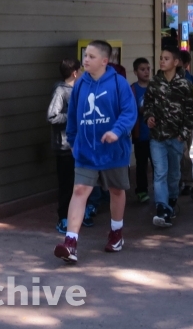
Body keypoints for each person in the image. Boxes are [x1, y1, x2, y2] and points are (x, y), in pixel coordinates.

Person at [55, 41, 137, 264]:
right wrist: (73, 140)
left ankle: (116, 233)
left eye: (91, 56)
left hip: (114, 152)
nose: (86, 60)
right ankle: (70, 243)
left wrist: (116, 131)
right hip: (86, 152)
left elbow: (129, 113)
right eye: (85, 55)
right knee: (80, 190)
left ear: (104, 61)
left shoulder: (119, 83)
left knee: (116, 191)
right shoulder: (80, 84)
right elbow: (73, 115)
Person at [142, 49, 193, 227]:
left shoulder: (184, 84)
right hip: (157, 137)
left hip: (176, 137)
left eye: (166, 58)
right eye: (161, 58)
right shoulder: (154, 83)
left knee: (174, 174)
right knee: (160, 173)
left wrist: (183, 134)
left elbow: (191, 112)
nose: (162, 61)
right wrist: (148, 117)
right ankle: (162, 209)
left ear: (176, 62)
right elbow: (147, 104)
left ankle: (171, 201)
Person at [47, 59, 81, 234]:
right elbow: (52, 116)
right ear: (75, 73)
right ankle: (63, 218)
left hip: (78, 146)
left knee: (79, 184)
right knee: (66, 184)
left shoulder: (78, 89)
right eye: (80, 70)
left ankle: (78, 216)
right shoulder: (61, 91)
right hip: (65, 147)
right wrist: (72, 117)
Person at [130, 58, 152, 203]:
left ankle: (161, 190)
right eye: (142, 69)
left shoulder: (154, 87)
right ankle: (142, 190)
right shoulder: (132, 89)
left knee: (158, 164)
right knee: (141, 164)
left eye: (148, 69)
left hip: (155, 135)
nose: (146, 72)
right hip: (140, 134)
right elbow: (129, 109)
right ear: (135, 72)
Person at [177, 49, 193, 196]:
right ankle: (179, 180)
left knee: (184, 152)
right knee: (178, 151)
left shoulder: (192, 80)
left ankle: (188, 181)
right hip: (172, 121)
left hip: (186, 121)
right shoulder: (165, 78)